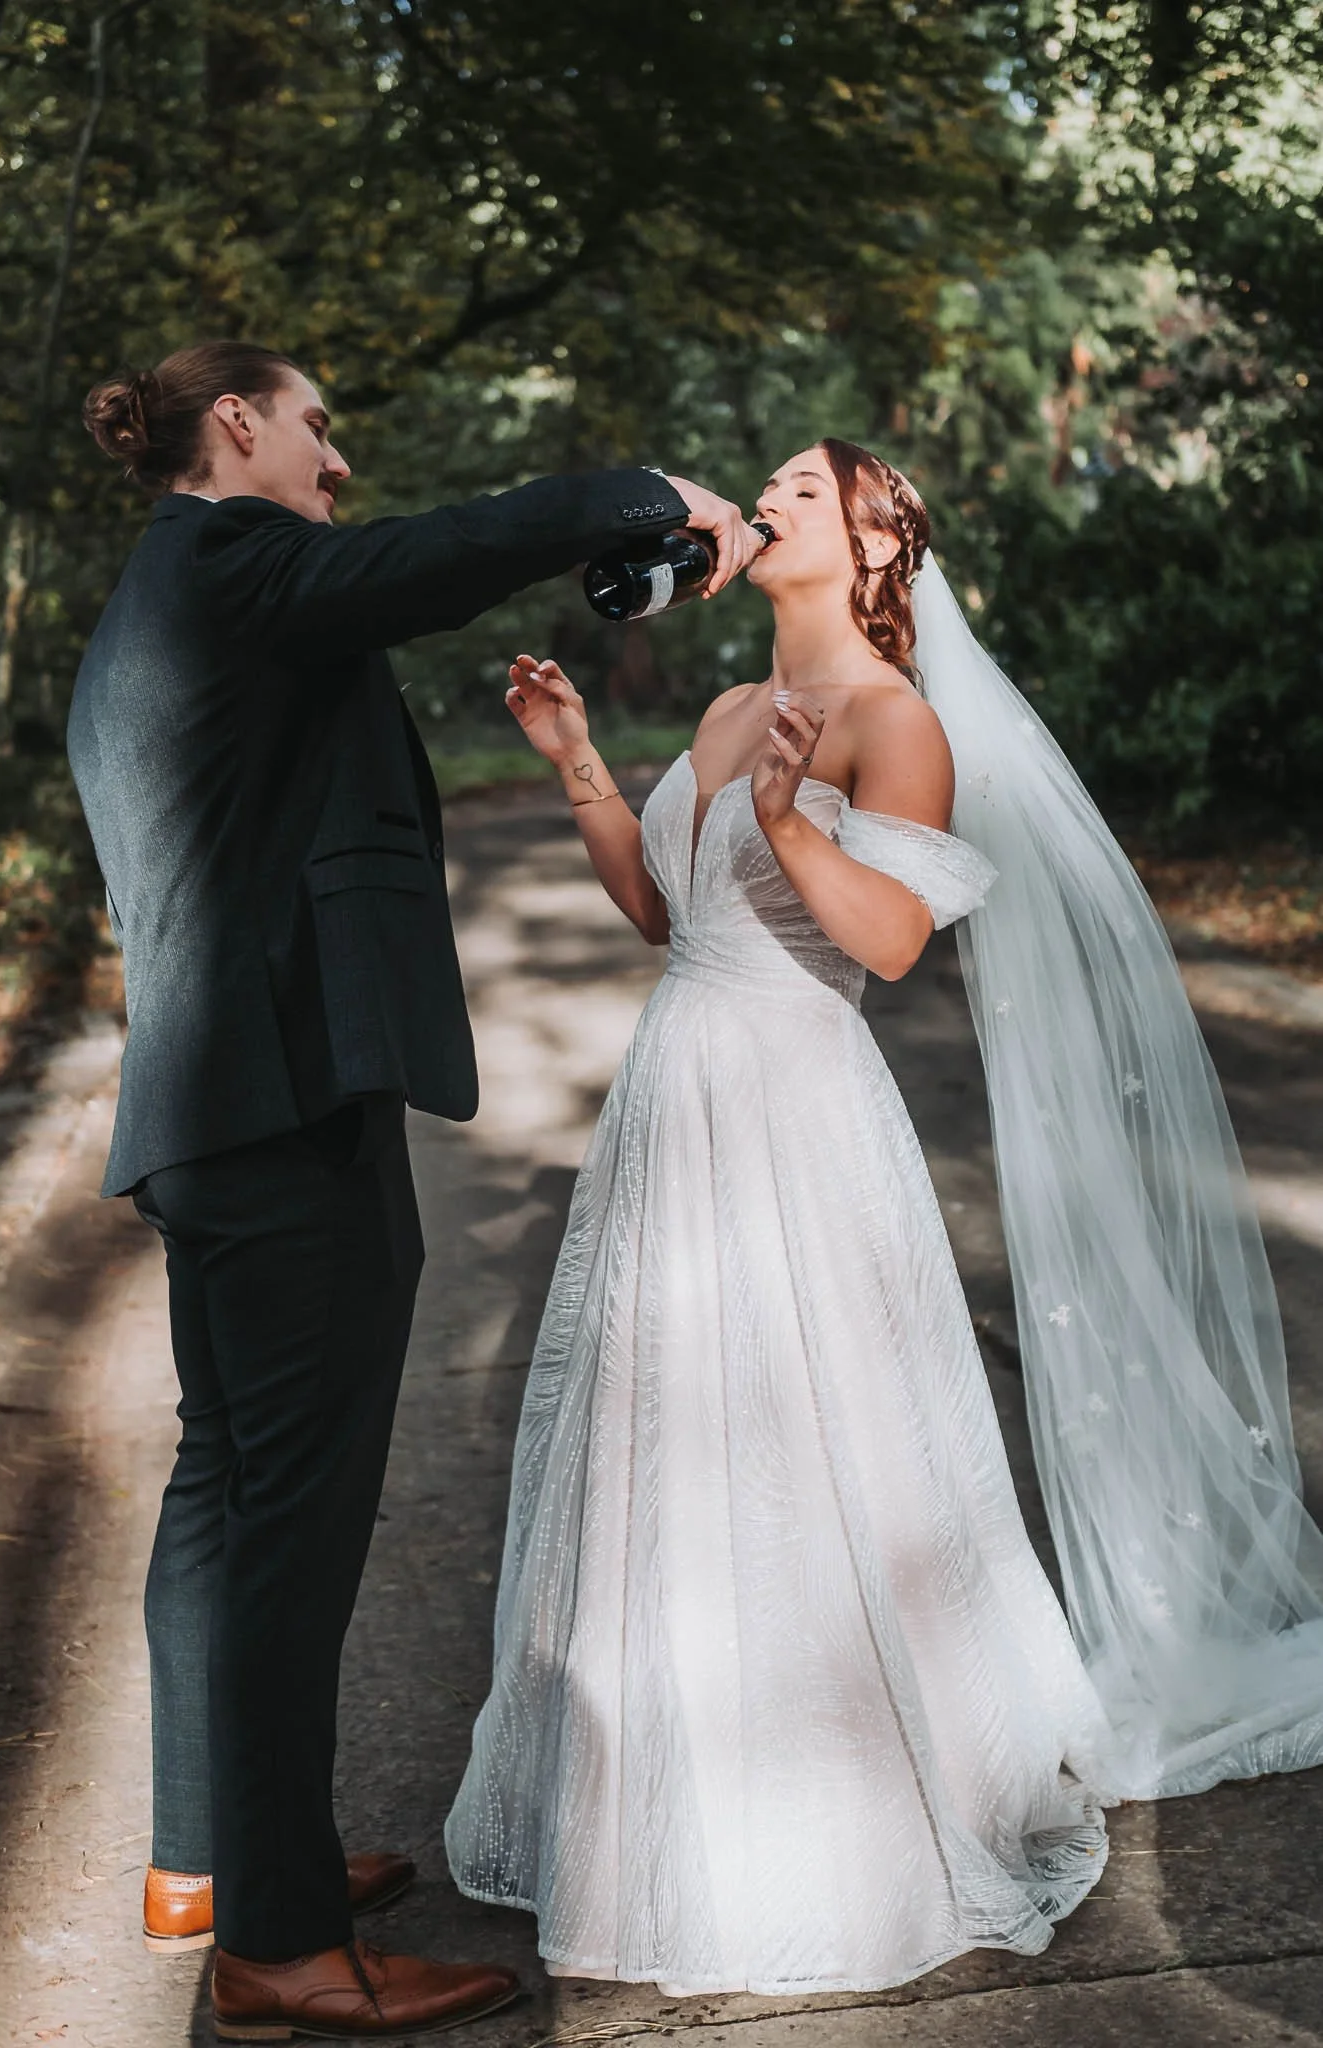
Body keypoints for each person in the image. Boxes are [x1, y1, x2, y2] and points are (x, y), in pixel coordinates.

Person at [445, 438, 1323, 1993]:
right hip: (673, 1100)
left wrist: (794, 822)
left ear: (869, 545)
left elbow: (896, 940)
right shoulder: (727, 707)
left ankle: (847, 1797)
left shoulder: (894, 719)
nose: (767, 498)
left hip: (799, 1103)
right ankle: (659, 1806)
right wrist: (577, 756)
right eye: (769, 484)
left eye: (802, 486)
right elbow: (663, 912)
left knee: (814, 1434)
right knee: (664, 1424)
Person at [67, 338, 763, 2039]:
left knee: (229, 1488)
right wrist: (646, 496)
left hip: (219, 1115)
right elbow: (436, 556)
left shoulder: (171, 594)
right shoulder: (232, 562)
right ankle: (281, 1946)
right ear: (238, 422)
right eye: (318, 426)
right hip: (283, 1117)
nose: (337, 462)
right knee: (289, 1531)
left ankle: (211, 1861)